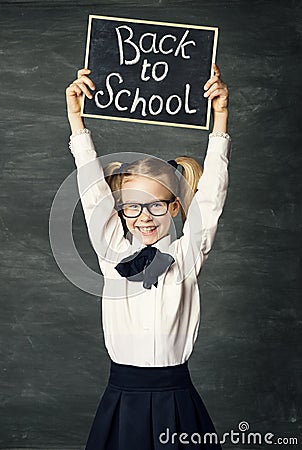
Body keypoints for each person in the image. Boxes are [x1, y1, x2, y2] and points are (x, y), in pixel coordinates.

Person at [65, 63, 231, 450]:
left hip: (177, 399)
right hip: (123, 399)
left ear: (174, 209)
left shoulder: (186, 258)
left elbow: (212, 197)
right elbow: (93, 195)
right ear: (120, 211)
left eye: (156, 206)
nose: (144, 217)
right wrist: (76, 121)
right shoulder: (113, 254)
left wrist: (220, 120)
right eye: (132, 207)